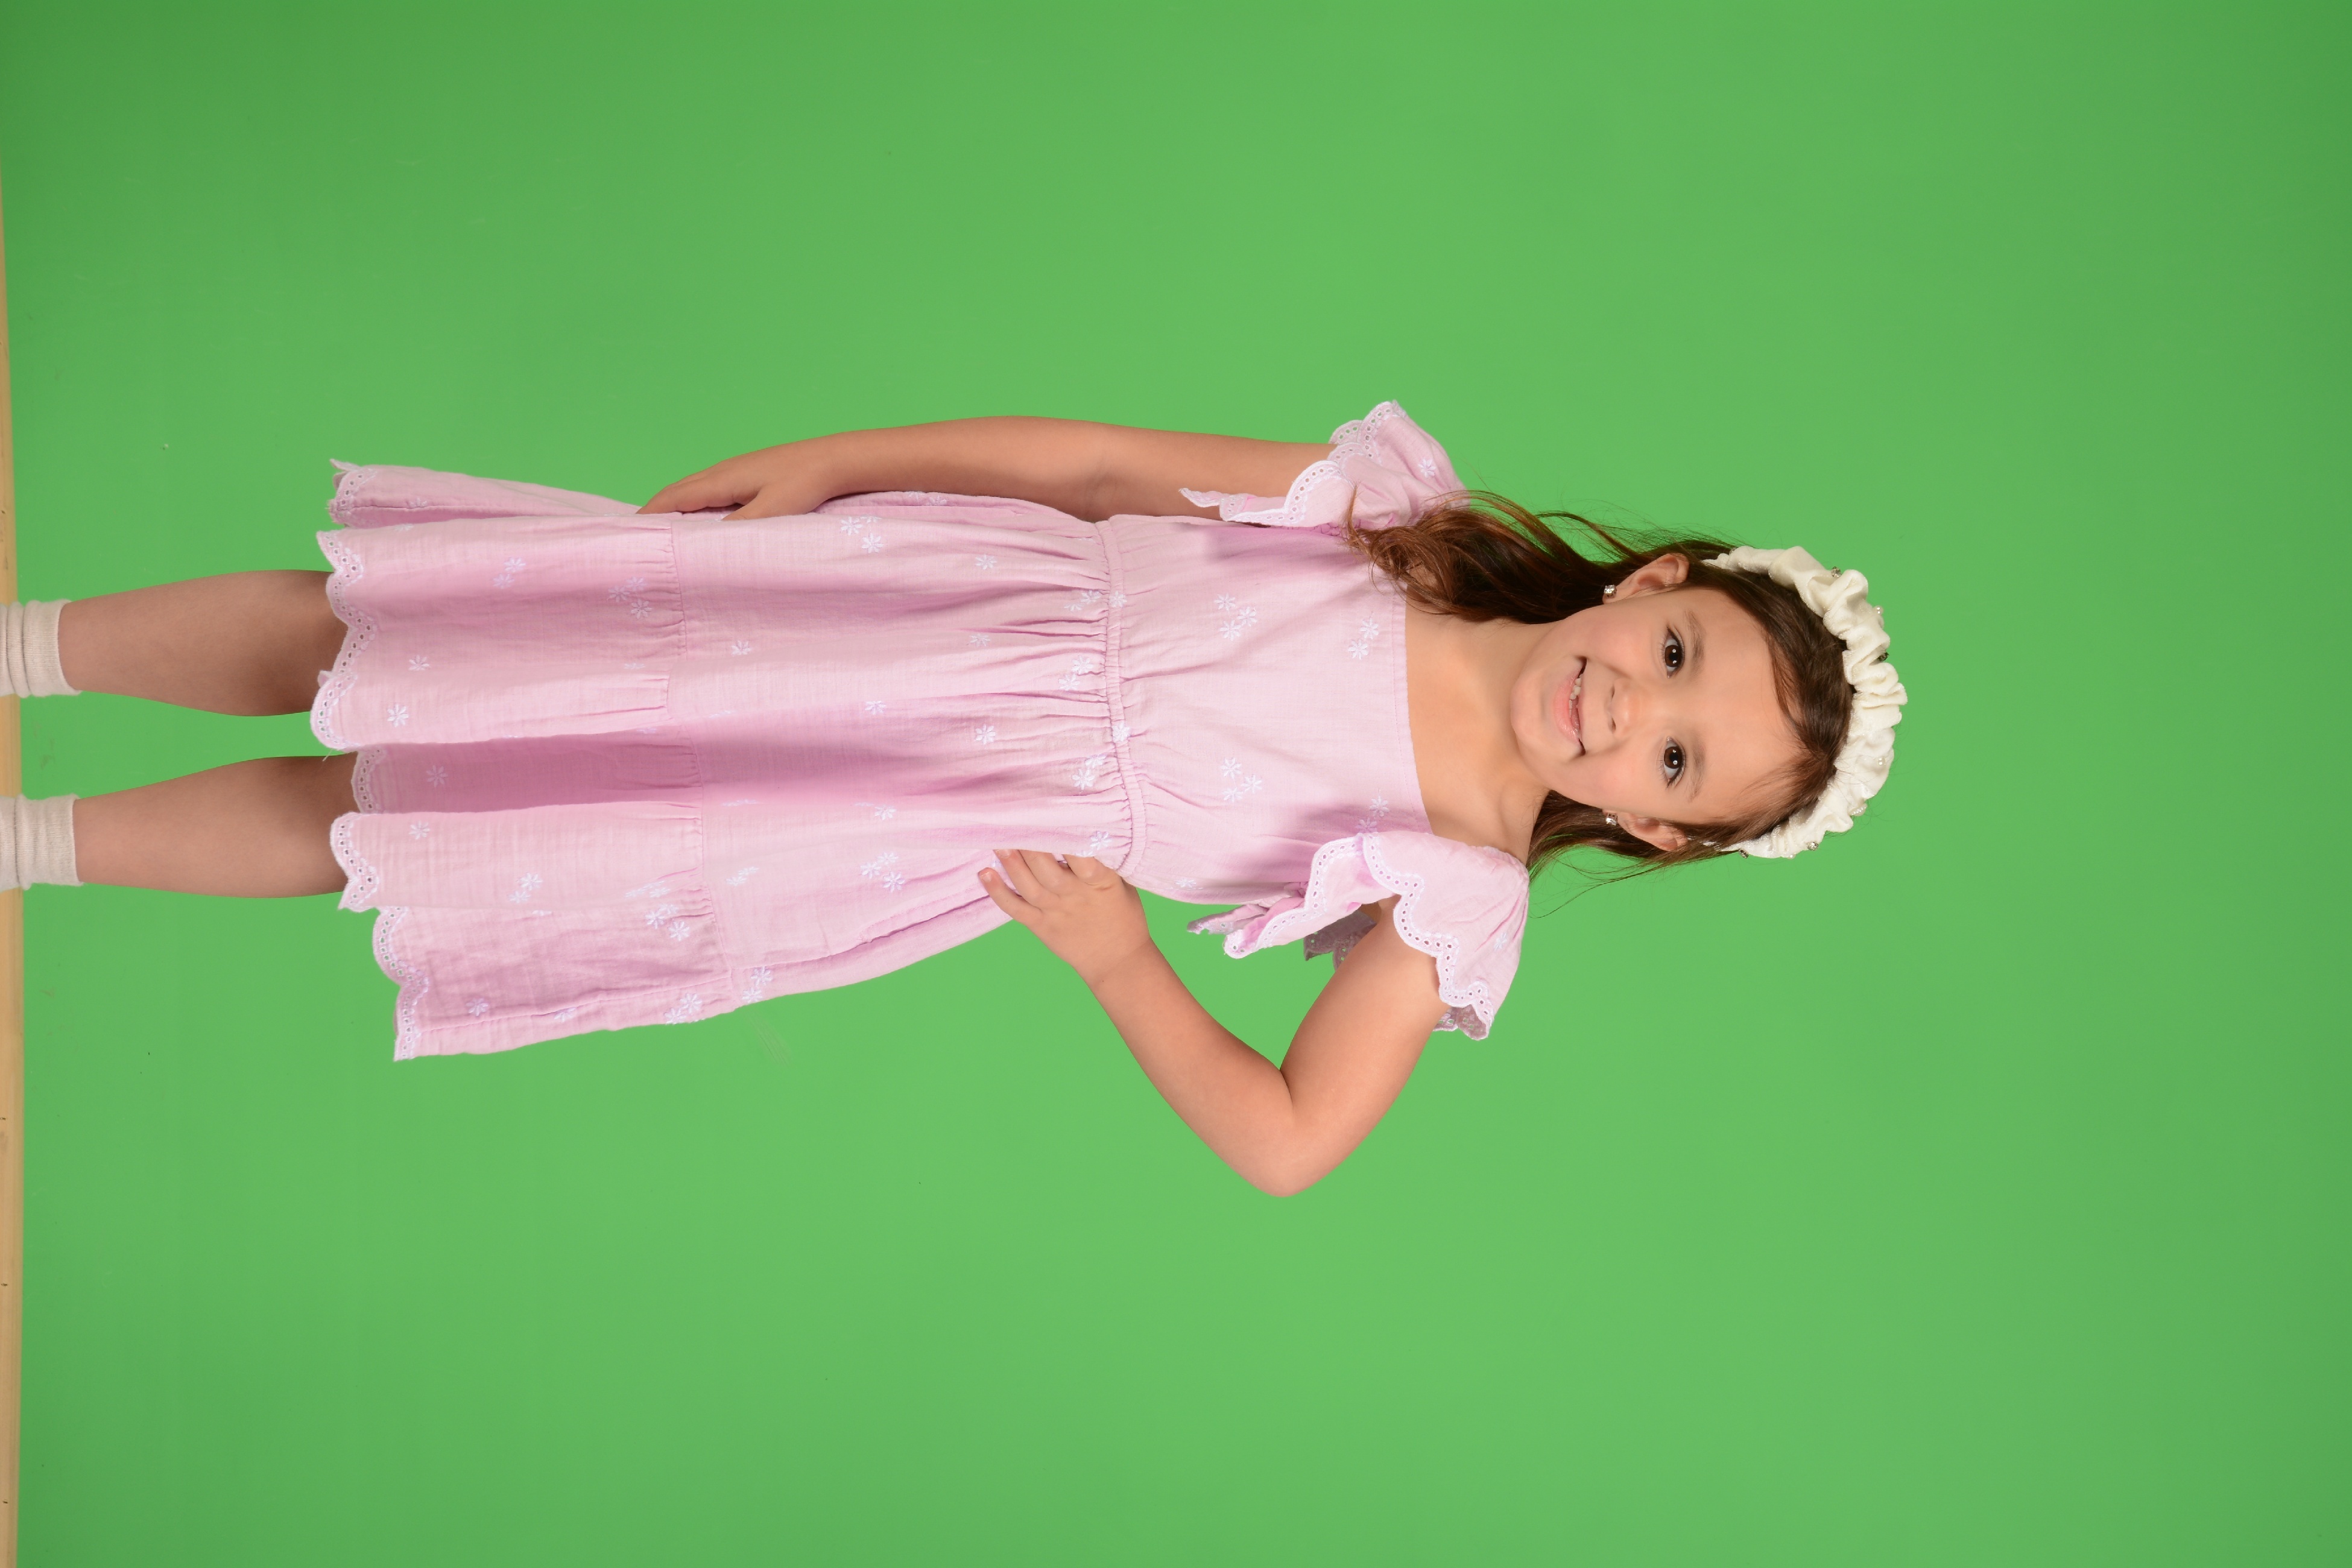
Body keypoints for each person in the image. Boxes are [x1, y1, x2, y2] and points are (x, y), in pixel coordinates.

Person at [0, 403, 1904, 1192]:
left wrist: (1119, 964)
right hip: (874, 600)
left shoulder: (1457, 883)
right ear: (1656, 583)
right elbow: (1089, 464)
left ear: (1657, 829)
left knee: (409, 816)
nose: (1627, 713)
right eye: (1674, 656)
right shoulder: (1398, 518)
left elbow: (1289, 1137)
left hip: (884, 815)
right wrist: (838, 462)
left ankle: (29, 846)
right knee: (404, 628)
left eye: (1673, 761)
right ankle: (22, 648)